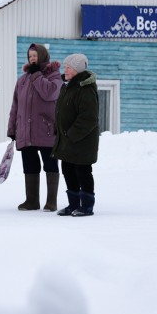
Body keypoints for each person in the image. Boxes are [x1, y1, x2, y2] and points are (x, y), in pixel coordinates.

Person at [7, 43, 63, 211]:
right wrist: (12, 129)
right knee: (30, 166)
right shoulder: (22, 80)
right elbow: (15, 107)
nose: (32, 58)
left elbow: (49, 93)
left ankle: (51, 201)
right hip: (26, 131)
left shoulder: (54, 76)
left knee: (50, 165)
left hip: (46, 130)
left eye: (35, 55)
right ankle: (31, 201)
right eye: (30, 55)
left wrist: (37, 76)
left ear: (43, 56)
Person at [52, 53, 99, 217]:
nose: (65, 70)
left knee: (82, 171)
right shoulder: (68, 86)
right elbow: (61, 111)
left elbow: (89, 117)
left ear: (77, 70)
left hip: (81, 141)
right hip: (67, 139)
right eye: (65, 67)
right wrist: (58, 129)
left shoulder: (85, 89)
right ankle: (73, 204)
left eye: (68, 67)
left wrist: (71, 134)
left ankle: (86, 206)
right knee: (68, 169)